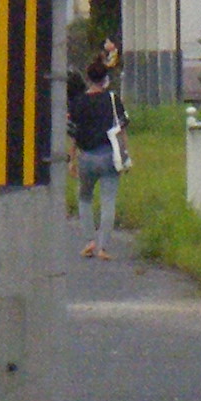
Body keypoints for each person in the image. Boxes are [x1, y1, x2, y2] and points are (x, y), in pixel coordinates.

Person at [69, 58, 127, 259]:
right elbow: (121, 129)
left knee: (84, 197)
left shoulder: (78, 102)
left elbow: (73, 133)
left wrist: (72, 158)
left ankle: (89, 241)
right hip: (109, 154)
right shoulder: (112, 99)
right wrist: (125, 154)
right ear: (105, 79)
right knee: (108, 201)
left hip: (86, 156)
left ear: (88, 78)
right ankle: (103, 247)